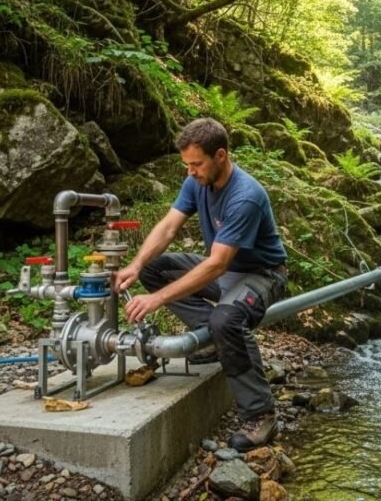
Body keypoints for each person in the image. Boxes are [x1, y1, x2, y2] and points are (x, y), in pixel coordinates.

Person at [115, 117, 289, 452]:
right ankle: (210, 343)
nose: (190, 171)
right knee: (154, 268)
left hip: (262, 274)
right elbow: (168, 227)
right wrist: (135, 266)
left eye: (196, 164)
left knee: (227, 320)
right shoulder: (196, 182)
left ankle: (261, 416)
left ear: (220, 156)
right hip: (223, 271)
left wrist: (156, 299)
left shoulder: (246, 195)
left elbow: (216, 264)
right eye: (187, 164)